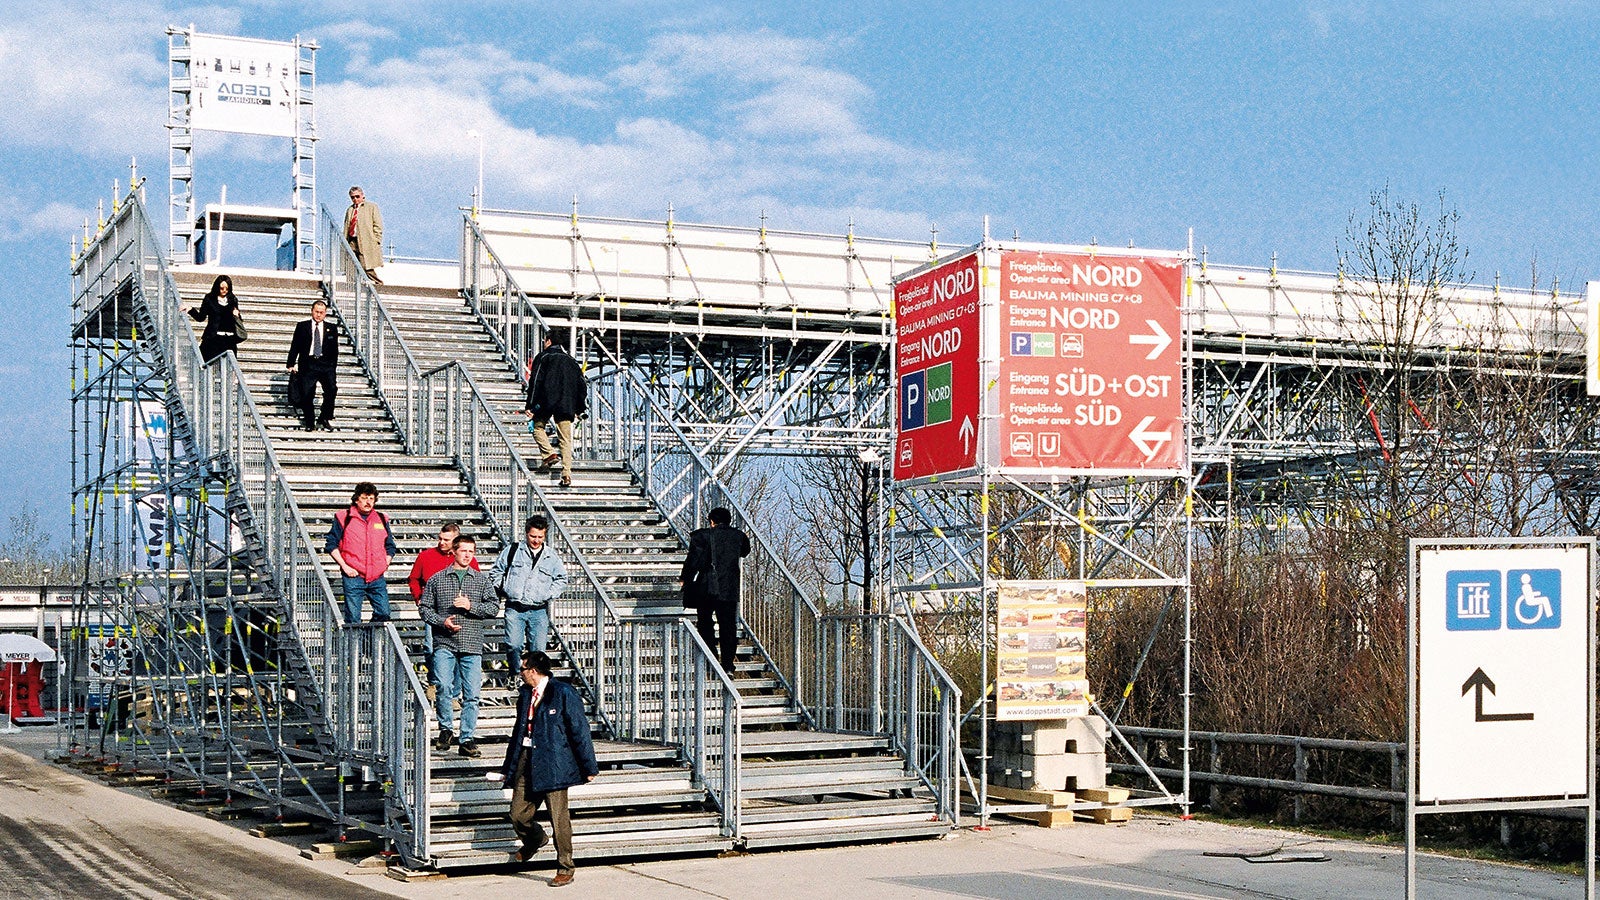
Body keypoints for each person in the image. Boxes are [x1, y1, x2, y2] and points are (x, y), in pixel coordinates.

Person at [498, 649, 597, 886]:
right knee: (517, 814)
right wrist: (507, 767)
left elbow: (579, 730)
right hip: (527, 757)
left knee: (558, 817)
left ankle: (565, 866)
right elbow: (518, 731)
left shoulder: (563, 692)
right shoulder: (525, 694)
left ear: (533, 671)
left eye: (522, 669)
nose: (519, 673)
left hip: (554, 762)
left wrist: (589, 765)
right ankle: (535, 839)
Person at [420, 533, 499, 758]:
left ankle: (467, 738)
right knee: (443, 686)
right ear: (453, 551)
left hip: (472, 644)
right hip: (445, 641)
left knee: (472, 693)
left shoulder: (481, 580)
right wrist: (441, 621)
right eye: (463, 550)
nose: (467, 555)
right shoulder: (437, 579)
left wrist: (471, 606)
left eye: (471, 551)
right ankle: (446, 729)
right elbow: (425, 608)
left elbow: (493, 608)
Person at [491, 515, 569, 680]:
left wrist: (548, 594)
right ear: (526, 533)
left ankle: (533, 680)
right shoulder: (513, 550)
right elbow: (496, 571)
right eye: (533, 536)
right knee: (513, 644)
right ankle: (515, 673)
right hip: (515, 607)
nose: (536, 540)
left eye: (540, 537)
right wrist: (505, 587)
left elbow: (562, 579)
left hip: (538, 610)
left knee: (538, 649)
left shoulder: (551, 556)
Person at [408, 522, 479, 695]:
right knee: (430, 647)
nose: (441, 542)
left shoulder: (468, 559)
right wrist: (419, 598)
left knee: (457, 651)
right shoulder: (426, 556)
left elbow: (476, 582)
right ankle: (435, 681)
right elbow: (414, 579)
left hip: (458, 612)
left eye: (446, 540)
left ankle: (453, 692)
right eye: (440, 538)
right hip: (433, 610)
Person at [679, 507, 751, 670]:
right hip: (729, 589)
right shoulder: (738, 537)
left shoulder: (702, 536)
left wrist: (685, 578)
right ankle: (728, 665)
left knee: (705, 622)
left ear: (712, 521)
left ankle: (711, 656)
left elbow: (693, 561)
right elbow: (745, 552)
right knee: (728, 627)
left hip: (707, 588)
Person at [325, 482, 396, 625]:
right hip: (353, 576)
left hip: (376, 576)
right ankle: (352, 647)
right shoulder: (344, 517)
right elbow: (331, 544)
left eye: (371, 498)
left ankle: (367, 640)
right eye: (364, 498)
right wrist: (345, 566)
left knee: (384, 613)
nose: (368, 502)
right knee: (353, 619)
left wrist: (385, 563)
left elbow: (390, 546)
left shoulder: (382, 518)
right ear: (356, 499)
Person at [524, 332, 586, 487]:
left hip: (546, 401)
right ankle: (566, 475)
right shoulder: (572, 361)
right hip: (566, 403)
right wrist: (579, 407)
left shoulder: (544, 357)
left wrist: (530, 405)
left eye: (545, 340)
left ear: (549, 341)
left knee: (537, 427)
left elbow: (536, 381)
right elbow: (581, 386)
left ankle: (549, 453)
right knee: (565, 439)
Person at [286, 299, 340, 431]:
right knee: (307, 392)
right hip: (309, 363)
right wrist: (291, 363)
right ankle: (310, 421)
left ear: (325, 313)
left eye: (321, 312)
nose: (318, 315)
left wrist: (333, 366)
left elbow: (335, 349)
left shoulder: (332, 328)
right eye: (316, 312)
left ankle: (325, 417)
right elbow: (295, 345)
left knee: (331, 389)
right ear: (312, 311)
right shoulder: (302, 326)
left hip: (326, 364)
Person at [187, 274, 246, 363]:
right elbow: (201, 317)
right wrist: (190, 309)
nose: (224, 291)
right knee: (207, 364)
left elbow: (238, 320)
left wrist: (237, 315)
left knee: (228, 368)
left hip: (229, 340)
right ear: (217, 287)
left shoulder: (233, 299)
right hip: (213, 338)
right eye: (221, 288)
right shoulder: (209, 299)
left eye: (227, 288)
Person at [342, 185, 384, 284]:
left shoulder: (371, 207)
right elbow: (346, 225)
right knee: (350, 263)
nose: (355, 199)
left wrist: (376, 239)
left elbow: (377, 224)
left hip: (366, 241)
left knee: (366, 265)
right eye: (352, 197)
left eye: (357, 196)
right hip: (352, 239)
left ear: (362, 196)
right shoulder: (350, 210)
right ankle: (352, 284)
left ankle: (378, 283)